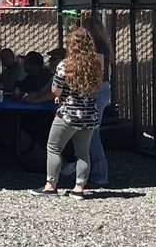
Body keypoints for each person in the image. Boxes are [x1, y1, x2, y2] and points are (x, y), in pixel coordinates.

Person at [29, 27, 103, 200]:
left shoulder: (65, 64)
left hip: (68, 114)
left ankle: (50, 186)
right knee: (83, 153)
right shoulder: (96, 65)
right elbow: (96, 88)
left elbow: (55, 90)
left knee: (54, 148)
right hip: (89, 114)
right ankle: (79, 188)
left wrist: (60, 96)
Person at [60, 16, 114, 186]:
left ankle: (99, 175)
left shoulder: (97, 46)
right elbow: (109, 72)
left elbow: (98, 69)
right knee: (89, 133)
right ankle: (90, 172)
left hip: (96, 91)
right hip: (103, 89)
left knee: (92, 135)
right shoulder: (105, 46)